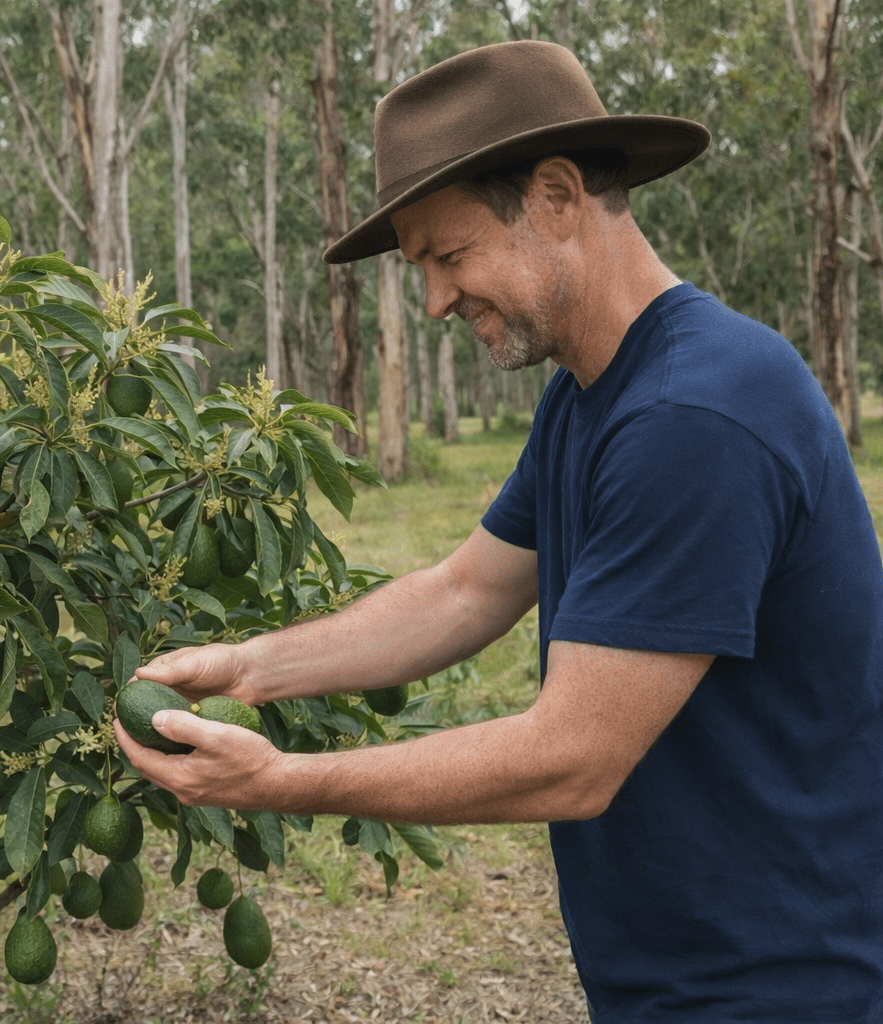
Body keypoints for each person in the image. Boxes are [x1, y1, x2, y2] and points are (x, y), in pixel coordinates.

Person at [115, 39, 883, 1022]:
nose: (435, 300)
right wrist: (244, 665)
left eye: (448, 254)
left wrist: (282, 779)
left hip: (778, 981)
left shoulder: (696, 417)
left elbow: (574, 754)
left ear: (556, 195)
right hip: (678, 967)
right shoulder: (592, 395)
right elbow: (466, 590)